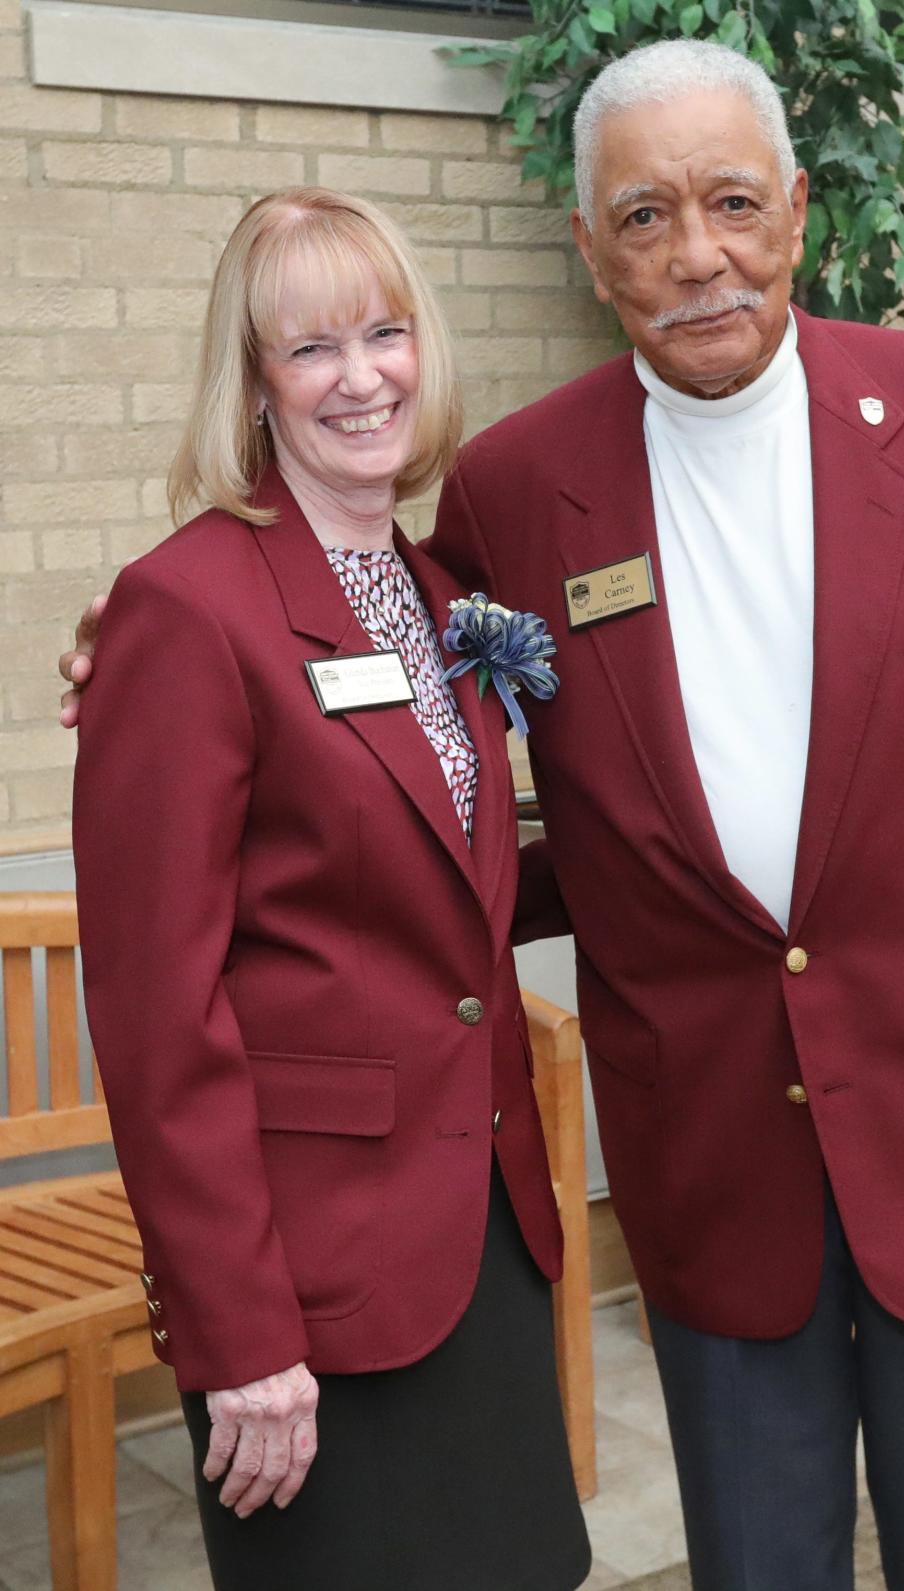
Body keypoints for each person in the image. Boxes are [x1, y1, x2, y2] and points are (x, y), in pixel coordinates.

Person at [62, 43, 904, 1591]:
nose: (697, 253)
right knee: (757, 1557)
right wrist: (141, 645)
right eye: (645, 217)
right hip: (703, 1137)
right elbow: (351, 708)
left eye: (731, 202)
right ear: (591, 251)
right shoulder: (518, 491)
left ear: (793, 211)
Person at [68, 187, 590, 1591]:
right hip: (309, 1273)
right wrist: (240, 1338)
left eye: (386, 331)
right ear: (250, 384)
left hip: (477, 1225)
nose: (362, 377)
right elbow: (156, 1015)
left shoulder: (432, 591)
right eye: (310, 350)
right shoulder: (186, 609)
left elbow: (435, 895)